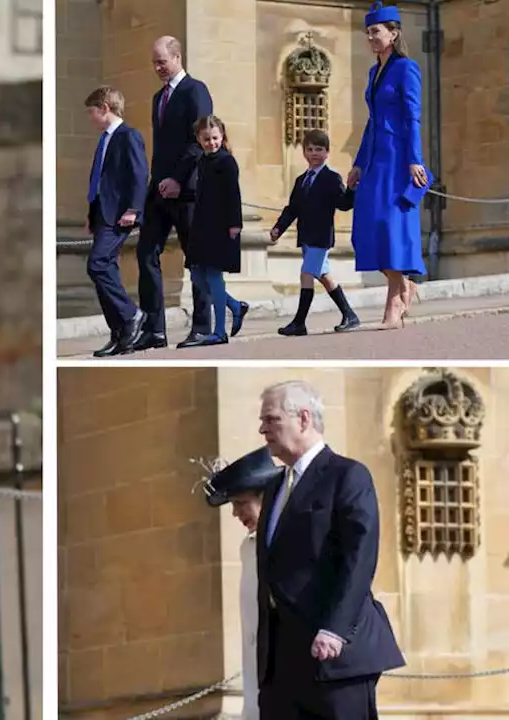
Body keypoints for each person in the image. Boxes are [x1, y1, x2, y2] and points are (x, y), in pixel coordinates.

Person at [255, 381, 405, 719]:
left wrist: (335, 629)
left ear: (303, 418)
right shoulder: (275, 486)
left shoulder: (347, 475)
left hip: (335, 657)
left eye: (271, 419)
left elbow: (360, 558)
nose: (262, 428)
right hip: (281, 663)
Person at [133, 36, 236, 351]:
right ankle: (155, 329)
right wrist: (158, 182)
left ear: (176, 57)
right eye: (154, 62)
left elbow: (199, 141)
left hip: (190, 189)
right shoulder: (156, 98)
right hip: (160, 189)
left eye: (161, 61)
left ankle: (203, 328)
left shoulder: (196, 90)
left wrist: (178, 179)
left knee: (198, 260)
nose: (157, 68)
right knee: (145, 251)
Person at [347, 1, 431, 330]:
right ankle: (405, 285)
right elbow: (372, 122)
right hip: (375, 160)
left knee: (391, 227)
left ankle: (395, 298)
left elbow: (412, 117)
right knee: (367, 227)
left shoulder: (406, 68)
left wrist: (414, 160)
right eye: (368, 32)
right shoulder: (373, 72)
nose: (371, 38)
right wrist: (357, 163)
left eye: (376, 32)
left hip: (399, 160)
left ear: (393, 34)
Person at [199, 446, 287, 720]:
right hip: (259, 695)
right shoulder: (247, 549)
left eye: (241, 503)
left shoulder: (290, 542)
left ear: (267, 497)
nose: (236, 513)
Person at [270, 129, 361, 336]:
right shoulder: (301, 180)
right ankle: (350, 315)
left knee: (306, 274)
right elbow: (292, 209)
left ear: (327, 152)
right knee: (325, 276)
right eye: (310, 149)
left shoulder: (331, 178)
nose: (314, 154)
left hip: (321, 237)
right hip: (306, 237)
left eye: (319, 150)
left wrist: (352, 189)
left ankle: (299, 322)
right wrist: (278, 228)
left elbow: (344, 204)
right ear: (304, 152)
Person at [83, 85, 148, 357]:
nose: (89, 118)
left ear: (104, 108)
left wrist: (134, 209)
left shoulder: (128, 135)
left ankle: (132, 314)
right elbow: (100, 180)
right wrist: (91, 214)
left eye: (91, 113)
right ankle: (120, 333)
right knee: (103, 268)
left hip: (120, 215)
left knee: (96, 264)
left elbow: (139, 174)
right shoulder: (103, 139)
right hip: (102, 214)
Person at [180, 115, 245, 347]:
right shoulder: (202, 161)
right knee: (198, 276)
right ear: (198, 139)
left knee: (214, 277)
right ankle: (235, 306)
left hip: (221, 226)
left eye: (215, 138)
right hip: (202, 226)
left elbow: (233, 195)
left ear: (222, 136)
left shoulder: (227, 162)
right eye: (206, 139)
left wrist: (235, 224)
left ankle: (219, 331)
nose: (211, 143)